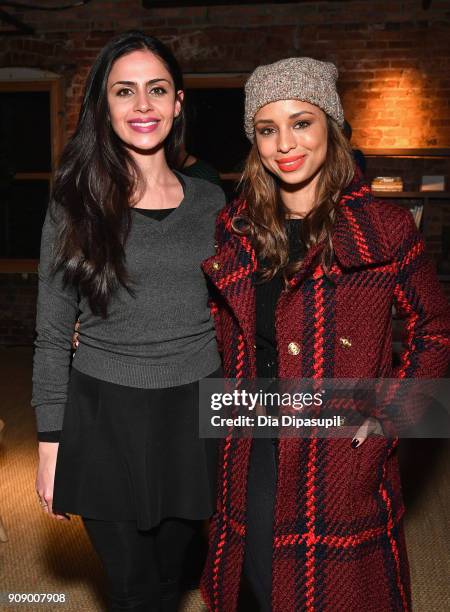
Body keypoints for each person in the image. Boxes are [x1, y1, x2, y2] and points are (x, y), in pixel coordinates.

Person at [200, 58, 450, 611]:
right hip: (251, 434)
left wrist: (392, 414)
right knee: (255, 583)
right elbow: (219, 332)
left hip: (337, 446)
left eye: (302, 122)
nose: (285, 143)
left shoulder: (385, 229)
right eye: (267, 129)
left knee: (336, 593)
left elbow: (437, 329)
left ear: (331, 128)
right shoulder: (236, 228)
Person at [32, 31, 225, 612]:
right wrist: (49, 442)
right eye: (125, 91)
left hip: (195, 413)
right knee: (134, 590)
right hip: (104, 417)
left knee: (172, 584)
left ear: (178, 102)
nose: (143, 106)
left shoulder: (215, 204)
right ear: (104, 106)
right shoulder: (74, 203)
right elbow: (50, 331)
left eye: (157, 90)